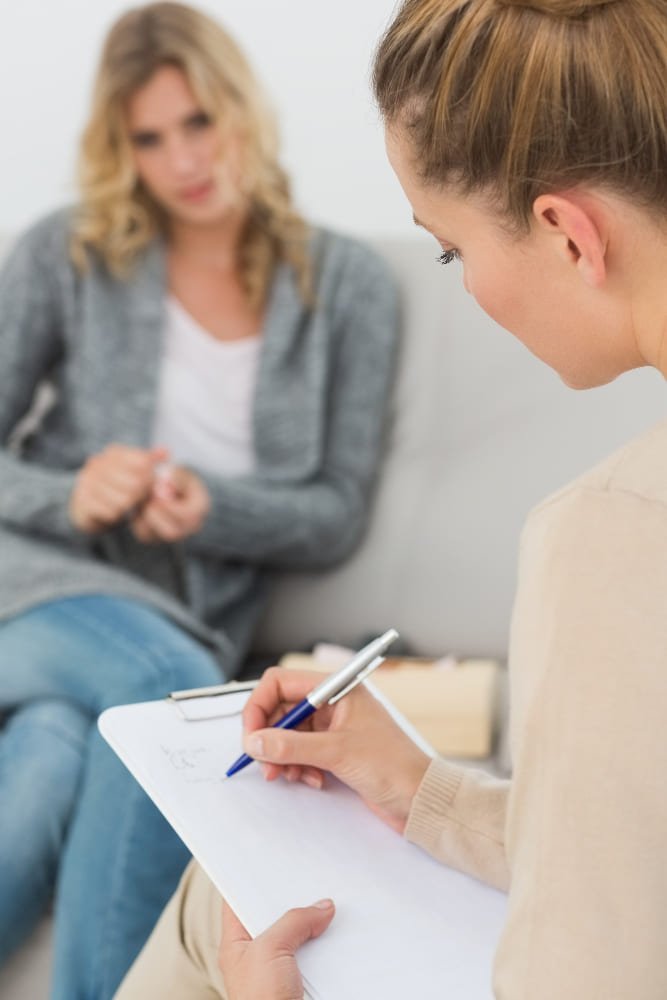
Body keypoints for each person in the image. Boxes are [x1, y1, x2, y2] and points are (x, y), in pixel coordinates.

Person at [112, 0, 667, 997]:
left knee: (234, 912)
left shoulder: (616, 532)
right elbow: (629, 848)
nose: (465, 290)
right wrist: (419, 787)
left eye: (451, 249)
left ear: (567, 234)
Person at [0, 2, 399, 998]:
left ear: (243, 111)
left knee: (54, 753)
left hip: (173, 620)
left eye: (199, 121)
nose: (182, 157)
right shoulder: (66, 253)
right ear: (119, 147)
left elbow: (334, 510)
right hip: (34, 586)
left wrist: (210, 508)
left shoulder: (347, 284)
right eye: (149, 136)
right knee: (168, 687)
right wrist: (75, 494)